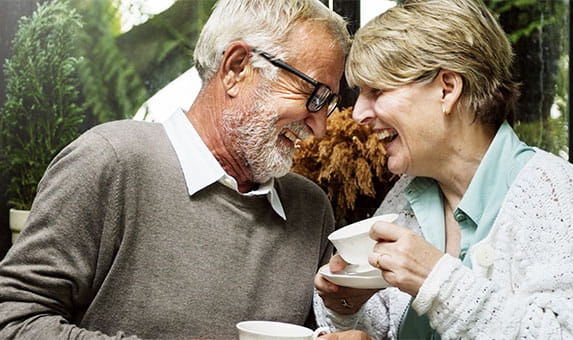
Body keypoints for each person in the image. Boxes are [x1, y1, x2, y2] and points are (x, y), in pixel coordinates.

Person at [0, 0, 351, 339]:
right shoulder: (110, 162)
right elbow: (12, 319)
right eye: (312, 93)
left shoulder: (311, 209)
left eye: (329, 103)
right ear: (237, 68)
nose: (319, 128)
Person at [314, 0, 573, 339]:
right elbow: (388, 327)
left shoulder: (552, 190)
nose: (359, 112)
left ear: (447, 89)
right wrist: (346, 307)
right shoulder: (407, 195)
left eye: (376, 91)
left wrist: (437, 280)